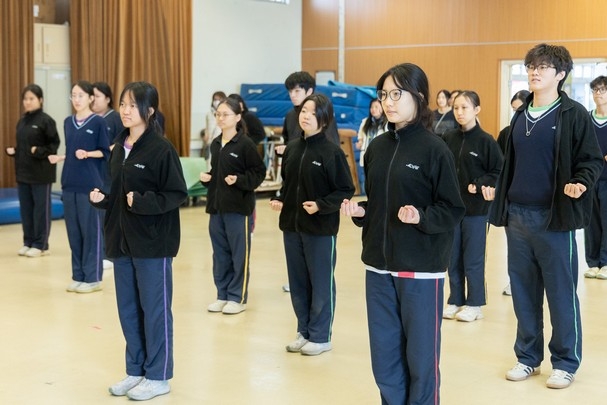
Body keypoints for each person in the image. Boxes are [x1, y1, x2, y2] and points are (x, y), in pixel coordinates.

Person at [340, 63, 465, 404]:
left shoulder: (435, 149)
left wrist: (420, 217)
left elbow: (452, 208)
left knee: (421, 360)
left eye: (397, 94)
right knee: (384, 358)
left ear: (418, 97)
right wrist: (363, 211)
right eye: (384, 94)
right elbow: (380, 202)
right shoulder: (377, 148)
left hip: (419, 269)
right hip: (378, 267)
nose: (388, 102)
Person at [485, 43, 603, 390]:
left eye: (543, 67)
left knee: (561, 294)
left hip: (554, 220)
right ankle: (527, 357)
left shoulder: (573, 114)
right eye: (531, 66)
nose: (534, 72)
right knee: (523, 292)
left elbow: (591, 160)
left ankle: (565, 362)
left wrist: (581, 183)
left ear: (560, 74)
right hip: (517, 218)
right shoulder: (520, 115)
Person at [90, 81, 187, 401]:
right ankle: (136, 370)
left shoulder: (161, 149)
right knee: (129, 310)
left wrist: (143, 202)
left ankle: (158, 376)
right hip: (122, 243)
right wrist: (103, 199)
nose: (126, 110)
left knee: (155, 311)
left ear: (150, 110)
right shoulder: (119, 147)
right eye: (123, 104)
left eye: (133, 105)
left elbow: (177, 194)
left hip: (152, 245)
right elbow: (118, 193)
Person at [270, 93, 354, 356]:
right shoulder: (292, 148)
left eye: (313, 112)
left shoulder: (332, 152)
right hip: (292, 227)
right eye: (304, 111)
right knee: (298, 283)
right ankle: (304, 331)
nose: (306, 116)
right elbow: (289, 185)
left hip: (320, 229)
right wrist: (280, 199)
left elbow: (345, 189)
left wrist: (321, 205)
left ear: (324, 119)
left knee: (320, 283)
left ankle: (321, 335)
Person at [442, 91, 503, 322]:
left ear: (477, 109)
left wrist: (479, 184)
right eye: (456, 108)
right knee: (453, 257)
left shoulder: (486, 141)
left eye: (465, 107)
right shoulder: (448, 138)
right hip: (452, 210)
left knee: (473, 258)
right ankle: (455, 299)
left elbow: (498, 171)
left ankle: (475, 303)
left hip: (476, 211)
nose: (459, 112)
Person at [201, 98, 266, 315]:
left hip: (238, 209)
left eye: (225, 114)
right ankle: (222, 295)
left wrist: (239, 180)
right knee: (220, 255)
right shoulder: (216, 144)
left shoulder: (245, 144)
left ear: (238, 117)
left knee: (239, 255)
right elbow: (217, 172)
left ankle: (237, 297)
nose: (220, 118)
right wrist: (208, 178)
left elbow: (258, 173)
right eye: (218, 114)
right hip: (216, 207)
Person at [48, 80, 110, 293]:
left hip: (90, 185)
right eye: (73, 95)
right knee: (74, 234)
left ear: (90, 98)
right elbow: (72, 151)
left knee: (90, 232)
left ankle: (93, 278)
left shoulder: (98, 122)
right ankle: (79, 275)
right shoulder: (68, 122)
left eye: (80, 95)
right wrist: (61, 157)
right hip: (69, 183)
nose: (76, 99)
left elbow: (105, 152)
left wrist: (88, 153)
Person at [5, 84, 60, 257]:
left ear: (40, 100)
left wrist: (39, 151)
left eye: (31, 98)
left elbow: (54, 145)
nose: (27, 102)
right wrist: (15, 151)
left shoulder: (46, 121)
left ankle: (41, 245)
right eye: (25, 99)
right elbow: (25, 147)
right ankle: (28, 241)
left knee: (40, 211)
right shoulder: (22, 121)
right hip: (23, 173)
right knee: (26, 210)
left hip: (41, 174)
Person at [497, 89, 530, 296]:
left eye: (520, 109)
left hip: (533, 199)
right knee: (516, 247)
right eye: (514, 110)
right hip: (512, 198)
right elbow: (499, 165)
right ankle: (514, 282)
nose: (516, 113)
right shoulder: (506, 133)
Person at [275, 71, 340, 156]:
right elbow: (288, 142)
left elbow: (332, 147)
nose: (292, 95)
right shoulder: (290, 115)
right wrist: (285, 150)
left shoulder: (322, 113)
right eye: (290, 91)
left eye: (297, 91)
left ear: (309, 91)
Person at [583, 76, 607, 279]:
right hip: (590, 179)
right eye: (595, 90)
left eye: (602, 90)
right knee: (590, 222)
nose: (598, 94)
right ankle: (593, 262)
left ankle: (606, 262)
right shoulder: (587, 119)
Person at [355, 98, 388, 167]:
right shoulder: (365, 121)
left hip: (380, 156)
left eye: (376, 107)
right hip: (366, 154)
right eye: (371, 107)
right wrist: (360, 142)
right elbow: (361, 135)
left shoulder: (387, 123)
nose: (373, 109)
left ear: (383, 108)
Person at [92, 81, 124, 147]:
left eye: (97, 96)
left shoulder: (118, 118)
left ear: (107, 99)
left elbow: (122, 143)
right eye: (92, 96)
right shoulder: (88, 118)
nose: (93, 99)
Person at [203, 91, 227, 161]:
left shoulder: (226, 114)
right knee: (209, 162)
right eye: (215, 99)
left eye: (219, 99)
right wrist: (206, 135)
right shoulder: (209, 114)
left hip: (221, 143)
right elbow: (207, 128)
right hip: (210, 143)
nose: (216, 102)